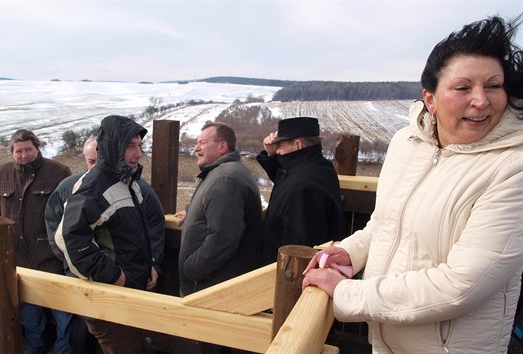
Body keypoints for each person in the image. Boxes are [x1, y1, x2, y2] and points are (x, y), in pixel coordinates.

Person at [302, 15, 523, 353]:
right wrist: (351, 252)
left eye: (493, 86)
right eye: (463, 87)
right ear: (430, 100)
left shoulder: (512, 167)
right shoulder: (409, 143)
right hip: (386, 342)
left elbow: (459, 286)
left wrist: (346, 292)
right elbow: (386, 222)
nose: (481, 100)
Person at [45, 135, 165, 354]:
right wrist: (81, 266)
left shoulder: (137, 188)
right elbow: (58, 232)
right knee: (78, 337)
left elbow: (155, 228)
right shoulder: (69, 188)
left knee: (124, 338)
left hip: (125, 282)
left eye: (98, 160)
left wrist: (153, 264)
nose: (95, 166)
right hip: (83, 279)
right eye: (91, 161)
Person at [175, 121, 262, 353]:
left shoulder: (225, 179)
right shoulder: (225, 173)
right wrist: (191, 210)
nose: (196, 148)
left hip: (215, 289)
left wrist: (190, 269)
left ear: (222, 147)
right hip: (218, 287)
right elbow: (217, 210)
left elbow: (222, 239)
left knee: (216, 348)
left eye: (202, 142)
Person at [0, 129, 72, 354]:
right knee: (29, 316)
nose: (24, 155)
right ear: (12, 152)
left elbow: (70, 213)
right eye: (18, 151)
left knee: (65, 316)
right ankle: (35, 349)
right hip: (17, 260)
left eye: (28, 150)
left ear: (37, 148)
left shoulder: (59, 172)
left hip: (52, 258)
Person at [256, 117, 342, 265]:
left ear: (297, 145)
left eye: (280, 145)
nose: (278, 151)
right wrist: (271, 155)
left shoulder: (304, 188)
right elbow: (286, 180)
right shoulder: (318, 167)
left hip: (286, 274)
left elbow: (301, 247)